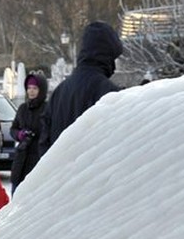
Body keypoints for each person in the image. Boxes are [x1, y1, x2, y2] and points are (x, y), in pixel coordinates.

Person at [41, 21, 124, 156]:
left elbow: (44, 139)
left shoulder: (59, 92)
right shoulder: (108, 93)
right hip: (93, 172)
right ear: (107, 55)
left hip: (60, 172)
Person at [8, 71, 48, 191]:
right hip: (21, 157)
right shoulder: (22, 108)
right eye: (29, 88)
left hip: (38, 156)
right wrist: (19, 135)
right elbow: (13, 129)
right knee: (16, 192)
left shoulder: (47, 109)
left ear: (41, 90)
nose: (31, 91)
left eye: (35, 88)